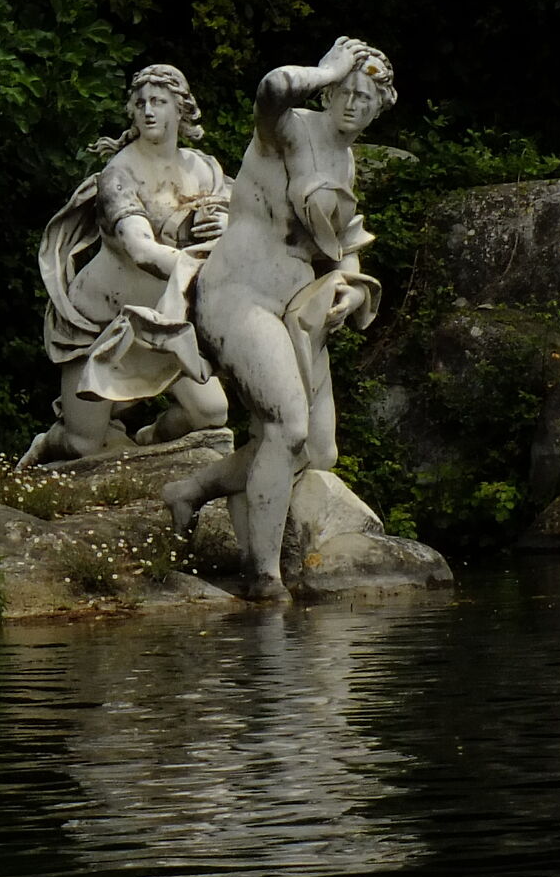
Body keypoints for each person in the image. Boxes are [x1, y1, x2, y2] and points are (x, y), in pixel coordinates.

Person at [167, 38, 398, 600]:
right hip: (238, 295)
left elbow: (342, 245)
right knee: (286, 428)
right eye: (345, 90)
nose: (352, 103)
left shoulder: (345, 161)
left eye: (366, 97)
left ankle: (191, 488)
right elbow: (270, 88)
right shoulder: (290, 127)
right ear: (329, 91)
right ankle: (264, 576)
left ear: (379, 108)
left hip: (296, 308)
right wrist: (327, 67)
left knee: (319, 450)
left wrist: (347, 285)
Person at [23, 64, 230, 463]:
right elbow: (141, 250)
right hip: (101, 324)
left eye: (159, 102)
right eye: (140, 103)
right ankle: (48, 441)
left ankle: (152, 440)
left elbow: (239, 227)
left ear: (180, 110)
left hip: (163, 321)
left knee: (210, 414)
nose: (148, 111)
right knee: (84, 443)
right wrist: (208, 271)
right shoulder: (119, 174)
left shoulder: (204, 169)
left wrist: (227, 222)